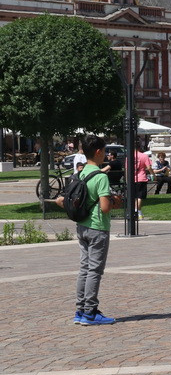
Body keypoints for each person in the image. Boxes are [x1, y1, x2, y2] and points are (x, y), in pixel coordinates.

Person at [60, 135, 123, 326]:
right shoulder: (100, 177)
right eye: (104, 151)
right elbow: (105, 207)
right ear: (98, 152)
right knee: (95, 270)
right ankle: (90, 312)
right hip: (98, 227)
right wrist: (115, 202)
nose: (105, 154)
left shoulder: (79, 173)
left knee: (84, 269)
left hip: (82, 225)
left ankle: (80, 310)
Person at [133, 145, 153, 219]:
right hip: (141, 178)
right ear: (139, 148)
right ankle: (138, 212)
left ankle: (135, 212)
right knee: (140, 196)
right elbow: (149, 167)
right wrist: (153, 174)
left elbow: (126, 169)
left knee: (134, 196)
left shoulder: (129, 157)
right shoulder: (144, 156)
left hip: (132, 178)